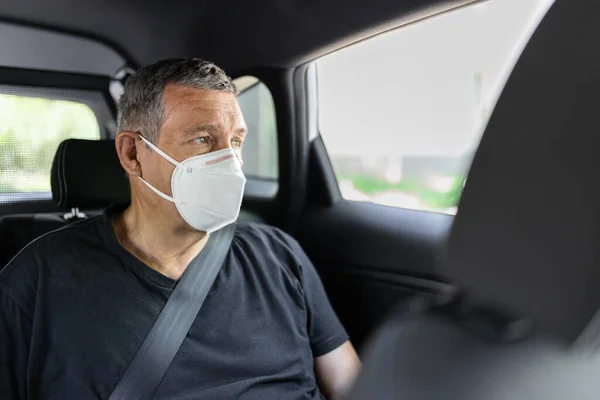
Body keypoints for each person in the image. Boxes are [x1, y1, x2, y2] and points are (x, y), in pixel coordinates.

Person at [0, 58, 360, 399]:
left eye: (236, 141)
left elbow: (352, 386)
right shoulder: (37, 281)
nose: (231, 164)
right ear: (132, 154)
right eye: (203, 139)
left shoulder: (278, 255)